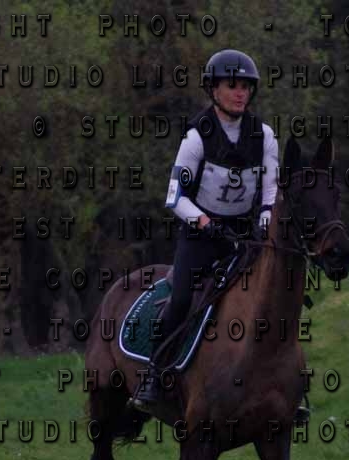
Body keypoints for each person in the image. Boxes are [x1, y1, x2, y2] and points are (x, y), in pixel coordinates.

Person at [131, 49, 311, 424]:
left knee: (278, 299)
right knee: (182, 298)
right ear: (214, 90)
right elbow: (175, 197)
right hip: (200, 237)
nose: (240, 92)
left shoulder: (264, 136)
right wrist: (205, 223)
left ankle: (292, 390)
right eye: (232, 85)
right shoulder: (196, 137)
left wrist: (265, 219)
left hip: (246, 237)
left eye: (245, 86)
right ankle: (153, 376)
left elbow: (270, 189)